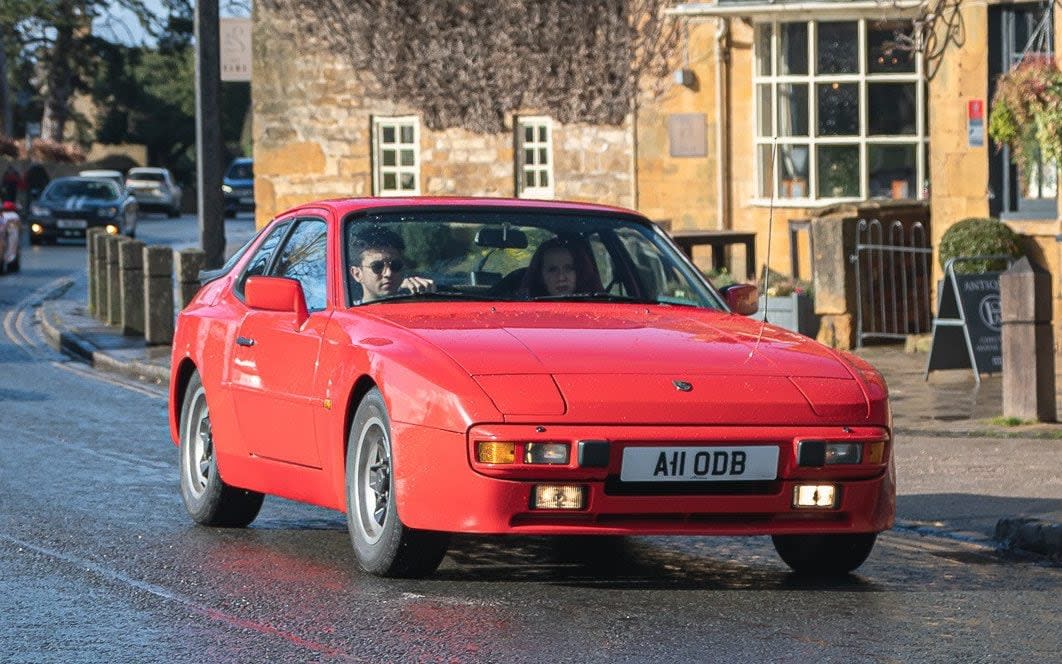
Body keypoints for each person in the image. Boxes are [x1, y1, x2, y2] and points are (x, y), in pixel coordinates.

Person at [348, 225, 435, 303]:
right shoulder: (346, 318)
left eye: (395, 265)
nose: (388, 273)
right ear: (357, 274)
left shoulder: (417, 305)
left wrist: (426, 300)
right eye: (377, 266)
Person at [521, 236, 603, 297]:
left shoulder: (601, 308)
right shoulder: (521, 309)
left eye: (569, 268)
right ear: (540, 276)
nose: (561, 277)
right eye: (552, 270)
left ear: (580, 272)